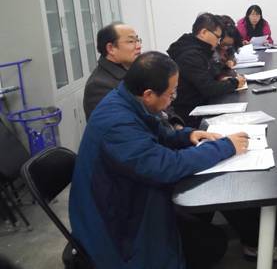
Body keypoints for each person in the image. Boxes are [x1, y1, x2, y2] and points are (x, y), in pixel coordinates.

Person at [69, 51, 250, 269]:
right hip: (114, 223)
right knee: (210, 245)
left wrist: (187, 135)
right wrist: (225, 146)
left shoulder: (127, 99)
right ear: (148, 94)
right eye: (171, 93)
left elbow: (157, 133)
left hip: (128, 195)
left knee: (212, 241)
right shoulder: (116, 123)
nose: (174, 98)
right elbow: (166, 166)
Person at [167, 13, 246, 127]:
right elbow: (208, 88)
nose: (218, 42)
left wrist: (222, 76)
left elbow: (211, 72)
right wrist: (235, 83)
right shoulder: (190, 55)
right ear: (203, 32)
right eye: (217, 37)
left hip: (201, 105)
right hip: (191, 114)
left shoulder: (200, 49)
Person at [83, 22, 142, 120]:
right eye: (131, 41)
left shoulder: (135, 71)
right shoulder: (98, 86)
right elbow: (121, 124)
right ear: (111, 48)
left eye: (138, 40)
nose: (139, 46)